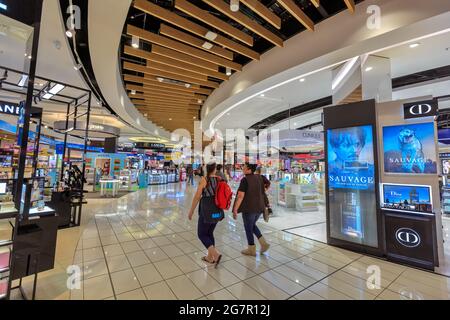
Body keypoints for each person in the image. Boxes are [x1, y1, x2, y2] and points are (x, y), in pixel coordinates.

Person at [188, 162, 222, 266]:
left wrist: (191, 210)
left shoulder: (204, 180)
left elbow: (197, 196)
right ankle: (209, 257)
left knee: (202, 234)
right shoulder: (219, 179)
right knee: (210, 232)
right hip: (217, 210)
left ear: (206, 170)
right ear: (215, 169)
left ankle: (215, 254)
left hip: (206, 211)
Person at [232, 163, 270, 256]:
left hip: (249, 208)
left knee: (248, 228)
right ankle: (263, 244)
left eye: (244, 167)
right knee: (252, 225)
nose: (242, 168)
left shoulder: (245, 180)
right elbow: (268, 183)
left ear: (249, 170)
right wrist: (263, 191)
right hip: (260, 207)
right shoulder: (260, 177)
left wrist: (235, 209)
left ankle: (251, 248)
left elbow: (240, 196)